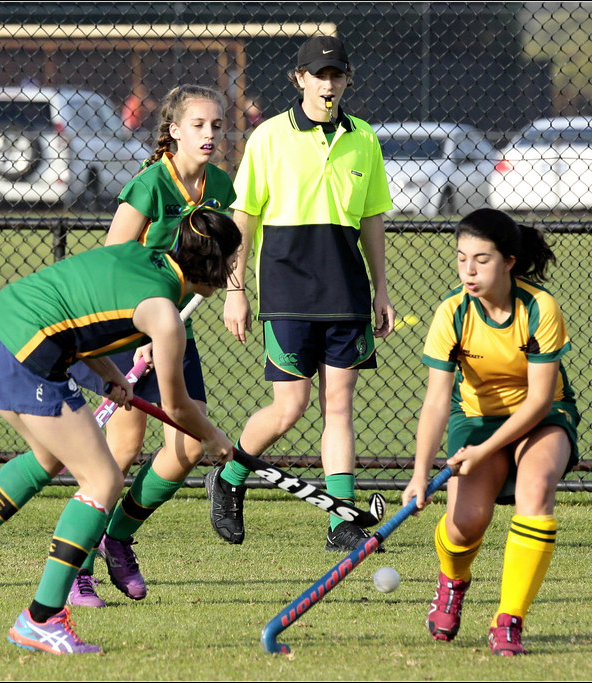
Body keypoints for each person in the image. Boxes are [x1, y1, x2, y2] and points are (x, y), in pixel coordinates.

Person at [0, 206, 241, 655]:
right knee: (103, 480)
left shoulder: (136, 255)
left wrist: (110, 375)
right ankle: (41, 619)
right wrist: (213, 437)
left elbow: (76, 307)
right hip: (27, 350)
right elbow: (178, 405)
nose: (234, 273)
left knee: (49, 457)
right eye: (232, 261)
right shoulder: (164, 315)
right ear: (213, 264)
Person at [206, 35, 395, 552]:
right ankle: (230, 478)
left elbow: (373, 219)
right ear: (299, 79)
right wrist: (235, 290)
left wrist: (381, 291)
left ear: (347, 80)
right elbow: (244, 217)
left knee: (339, 407)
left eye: (336, 74)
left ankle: (341, 520)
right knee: (290, 408)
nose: (328, 84)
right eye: (318, 74)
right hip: (287, 293)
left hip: (348, 294)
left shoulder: (365, 139)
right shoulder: (269, 137)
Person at [65, 84, 237, 609]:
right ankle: (78, 566)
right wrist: (130, 335)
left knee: (185, 447)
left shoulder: (220, 186)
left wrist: (233, 292)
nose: (209, 135)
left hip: (172, 327)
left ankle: (117, 535)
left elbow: (223, 252)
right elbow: (109, 263)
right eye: (199, 125)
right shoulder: (149, 186)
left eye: (216, 125)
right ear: (175, 130)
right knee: (119, 451)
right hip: (126, 327)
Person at [401, 208, 580, 657]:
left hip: (542, 416)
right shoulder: (452, 313)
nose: (469, 271)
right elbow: (437, 401)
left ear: (509, 262)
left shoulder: (540, 308)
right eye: (462, 259)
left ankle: (508, 621)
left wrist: (483, 452)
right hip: (476, 417)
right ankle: (453, 583)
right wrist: (420, 473)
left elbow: (539, 400)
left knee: (535, 490)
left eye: (481, 259)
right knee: (465, 525)